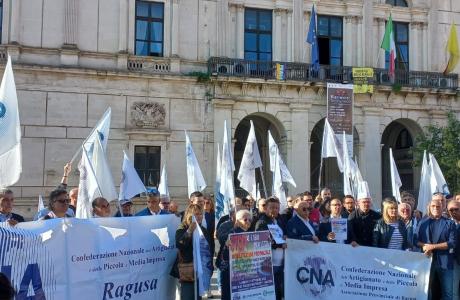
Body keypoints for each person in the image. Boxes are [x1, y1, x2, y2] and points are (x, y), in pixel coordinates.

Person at [417, 196, 457, 300]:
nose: (435, 208)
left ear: (443, 207)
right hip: (426, 262)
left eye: (438, 206)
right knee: (426, 291)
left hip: (445, 262)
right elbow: (415, 241)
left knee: (447, 293)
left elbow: (452, 243)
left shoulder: (450, 223)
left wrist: (432, 246)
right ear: (429, 208)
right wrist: (424, 246)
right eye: (433, 206)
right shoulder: (422, 223)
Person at [175, 204, 211, 300]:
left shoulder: (203, 230)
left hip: (200, 270)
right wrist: (189, 231)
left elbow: (208, 249)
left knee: (198, 297)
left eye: (200, 214)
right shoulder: (182, 229)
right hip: (188, 270)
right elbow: (179, 244)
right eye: (196, 214)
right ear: (190, 216)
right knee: (188, 296)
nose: (199, 216)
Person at [255, 197, 286, 300]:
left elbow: (281, 236)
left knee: (278, 291)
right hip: (269, 264)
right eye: (272, 207)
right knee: (271, 293)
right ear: (266, 208)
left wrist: (285, 238)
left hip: (280, 264)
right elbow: (261, 242)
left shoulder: (279, 221)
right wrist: (279, 244)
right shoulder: (262, 222)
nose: (275, 210)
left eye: (277, 208)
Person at [218, 209, 252, 300]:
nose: (248, 222)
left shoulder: (251, 234)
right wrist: (226, 244)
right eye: (245, 219)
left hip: (244, 272)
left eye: (250, 220)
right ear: (237, 221)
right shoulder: (232, 233)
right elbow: (221, 243)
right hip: (229, 272)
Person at [447, 200, 460, 299]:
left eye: (456, 209)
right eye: (451, 210)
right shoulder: (446, 224)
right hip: (454, 261)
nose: (454, 211)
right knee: (454, 291)